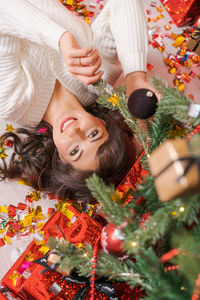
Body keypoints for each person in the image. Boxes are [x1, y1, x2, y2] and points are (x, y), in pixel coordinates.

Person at [0, 0, 153, 206]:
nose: (75, 133)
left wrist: (60, 39)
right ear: (103, 123)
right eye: (92, 134)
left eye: (74, 151)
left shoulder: (13, 101)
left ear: (61, 159)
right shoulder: (96, 77)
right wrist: (135, 77)